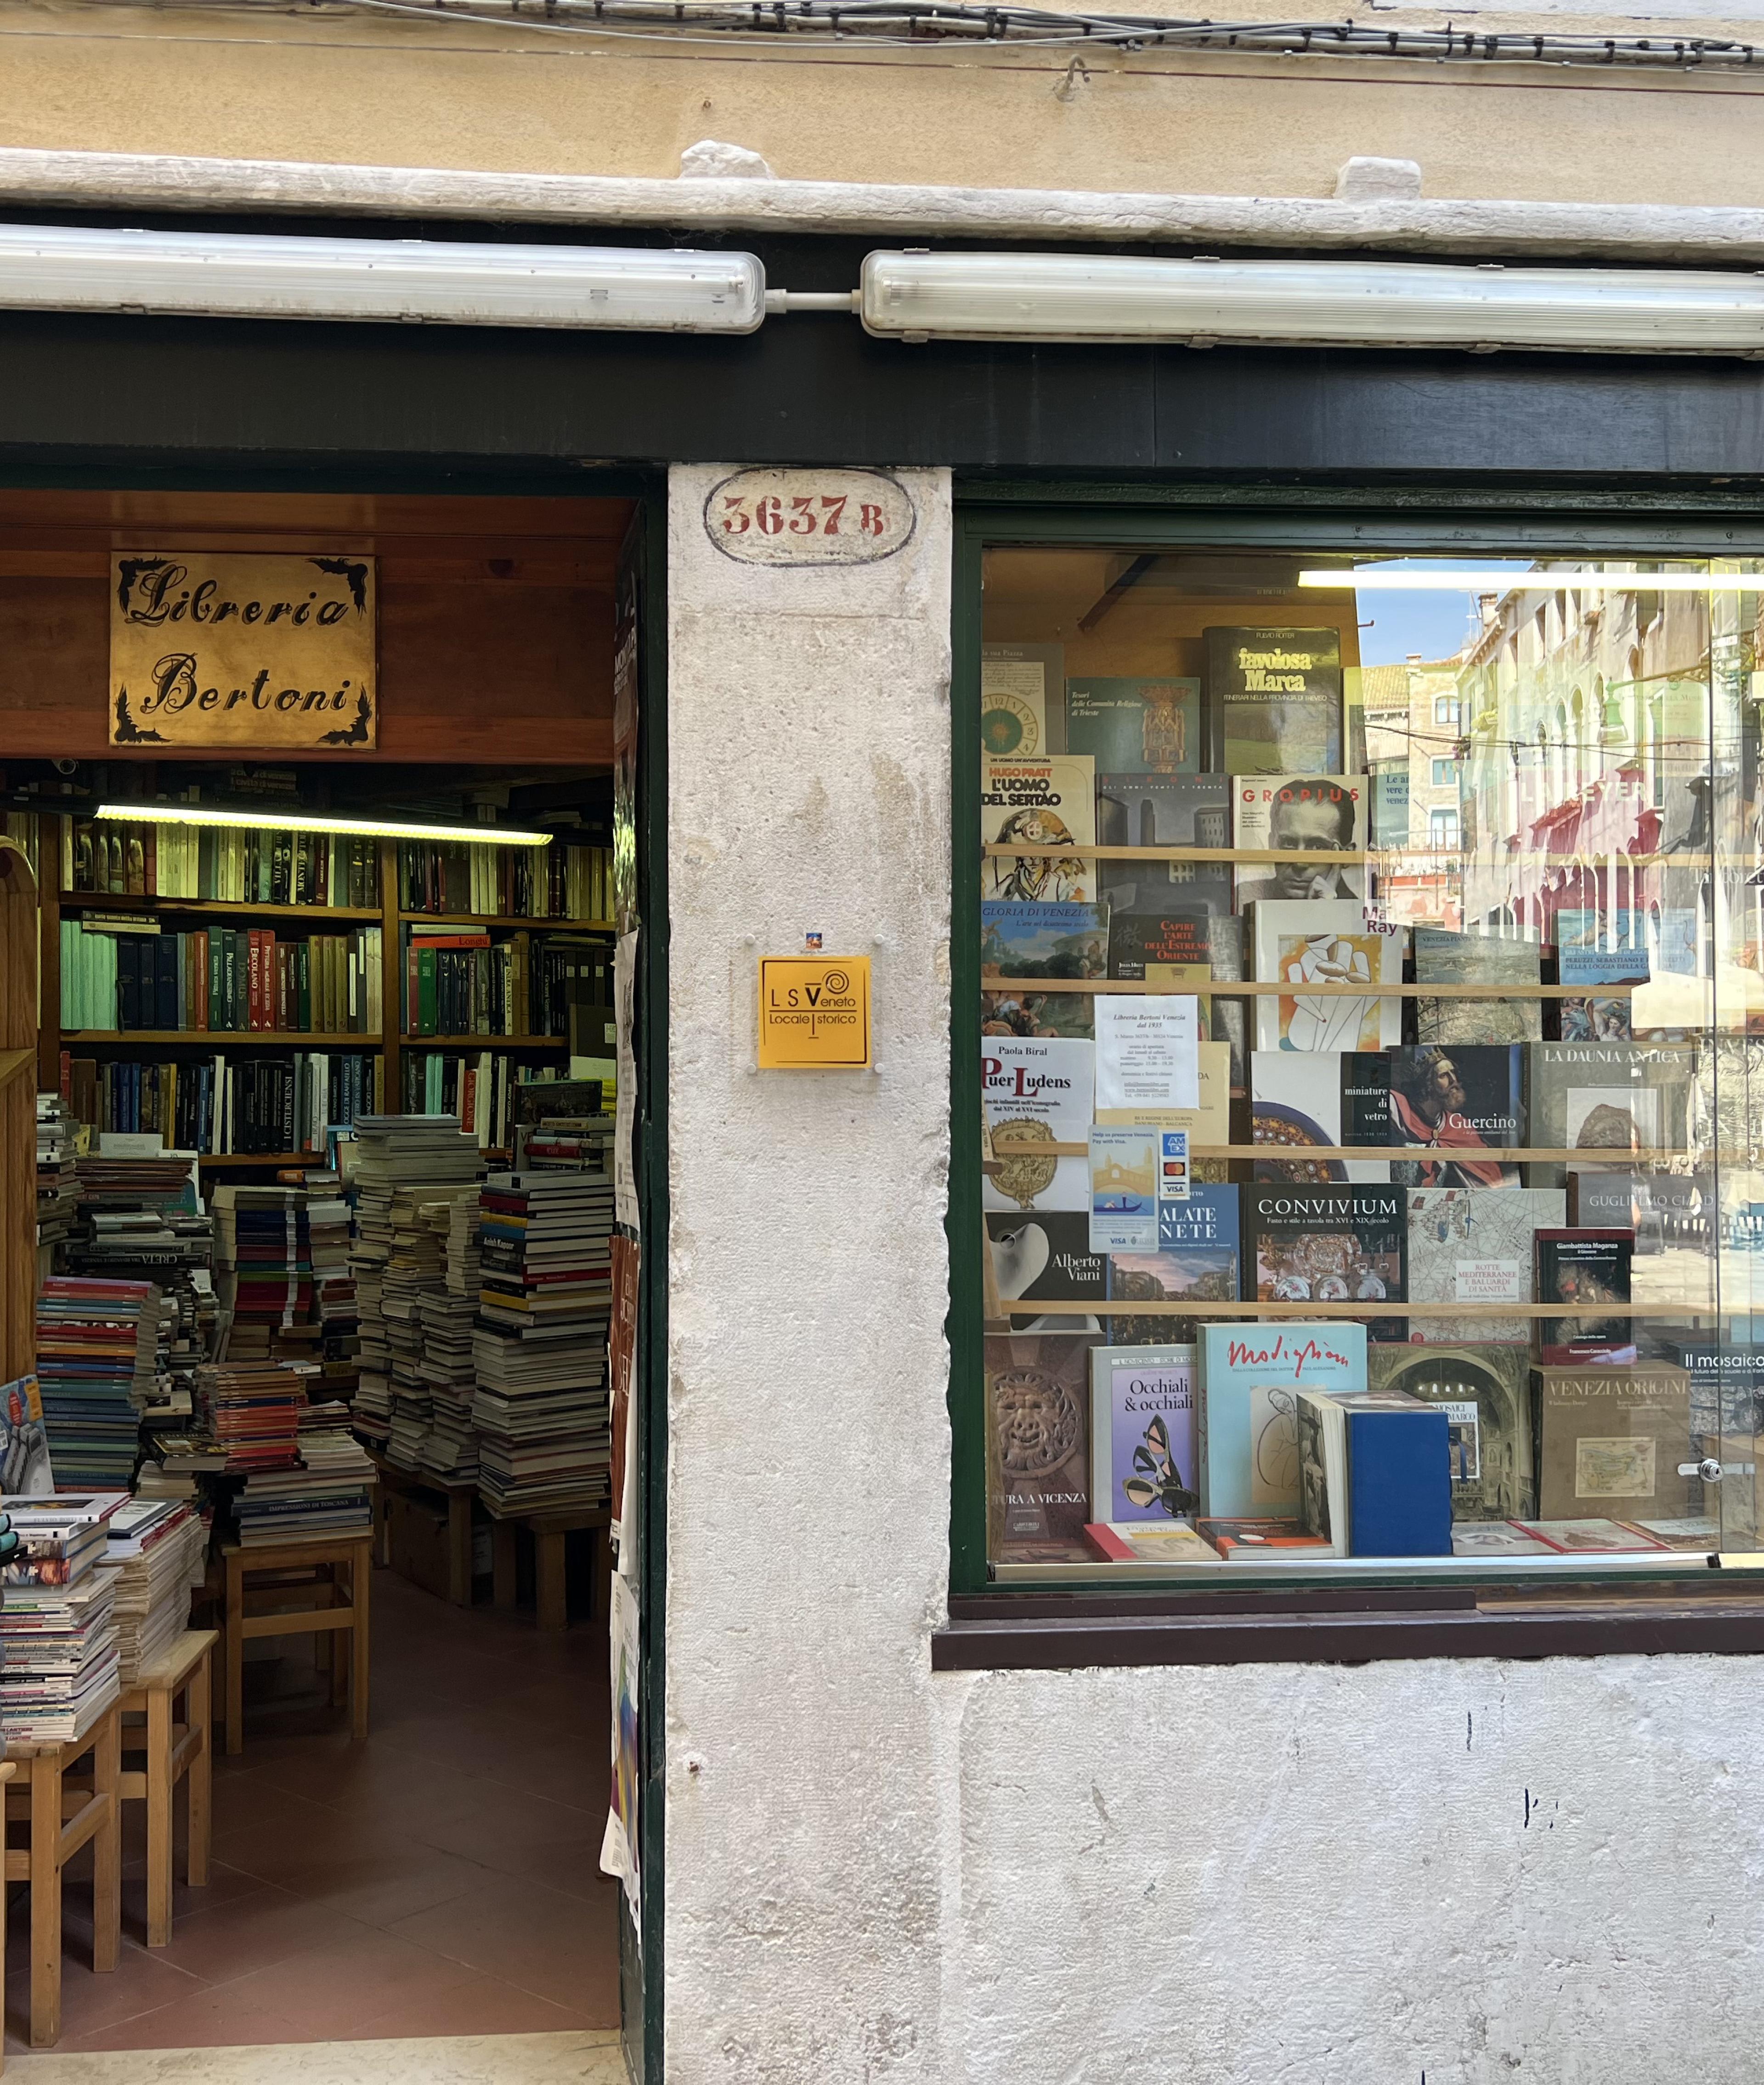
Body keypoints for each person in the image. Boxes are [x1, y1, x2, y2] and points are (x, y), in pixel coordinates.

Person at [1388, 1046, 1519, 1188]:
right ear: (1428, 1085)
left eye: (1454, 1073)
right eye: (1443, 1075)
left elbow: (1490, 1179)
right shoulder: (1399, 1111)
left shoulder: (1458, 1125)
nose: (1453, 1080)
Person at [1237, 782, 1363, 905]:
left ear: (1347, 855)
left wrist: (1328, 910)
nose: (1299, 864)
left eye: (1318, 846)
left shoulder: (1361, 914)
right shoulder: (1245, 898)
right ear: (1272, 844)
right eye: (1288, 843)